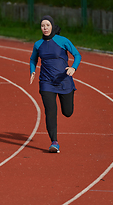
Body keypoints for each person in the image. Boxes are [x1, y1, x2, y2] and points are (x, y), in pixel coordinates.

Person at [30, 15, 81, 153]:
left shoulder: (62, 40)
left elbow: (77, 55)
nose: (45, 28)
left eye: (47, 25)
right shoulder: (38, 44)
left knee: (67, 112)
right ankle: (54, 142)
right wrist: (32, 71)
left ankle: (68, 102)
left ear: (52, 26)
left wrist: (73, 68)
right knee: (50, 111)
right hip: (46, 82)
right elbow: (33, 59)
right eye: (42, 25)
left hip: (64, 81)